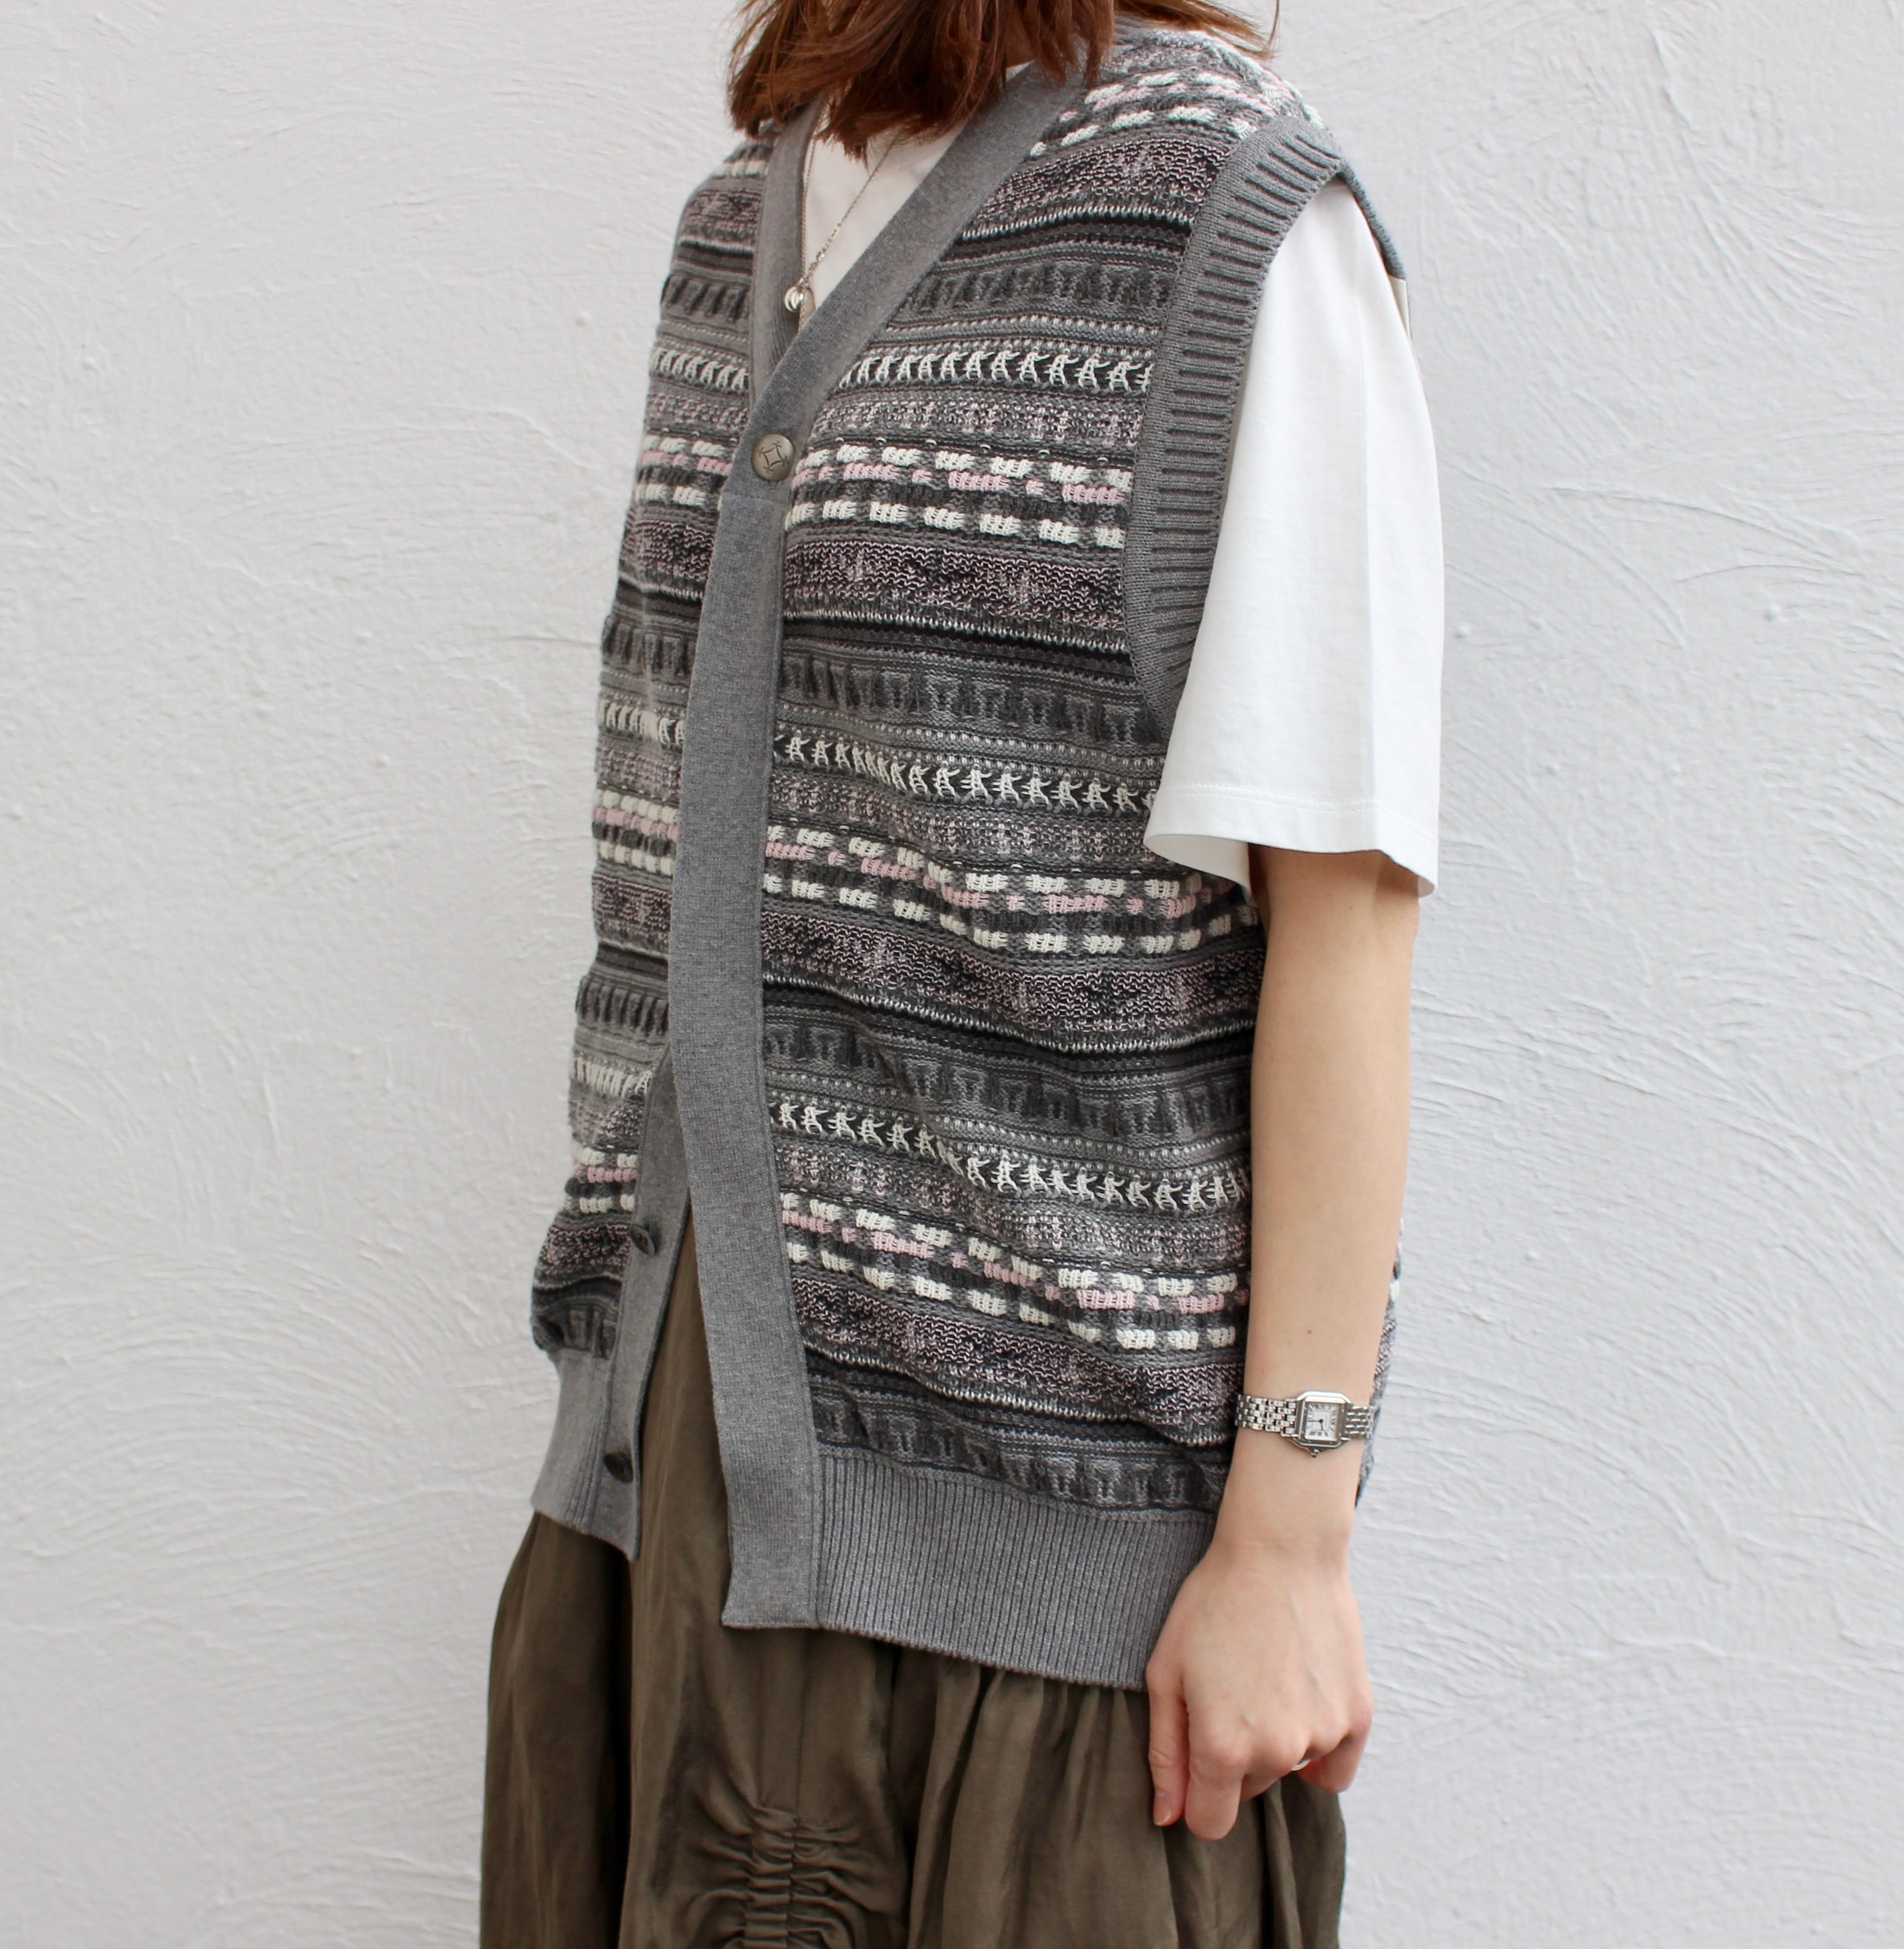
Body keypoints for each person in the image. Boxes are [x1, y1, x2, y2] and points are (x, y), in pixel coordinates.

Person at [482, 0, 1441, 1940]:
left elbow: (1342, 919)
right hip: (665, 1505)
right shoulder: (744, 215)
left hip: (1052, 1591)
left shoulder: (1232, 222)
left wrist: (1290, 1534)